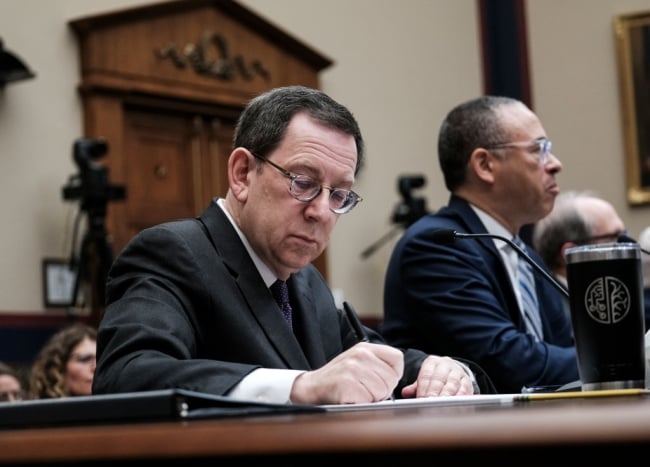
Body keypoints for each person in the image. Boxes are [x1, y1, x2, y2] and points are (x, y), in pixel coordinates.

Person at [92, 85, 495, 405]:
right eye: (303, 183)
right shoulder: (172, 252)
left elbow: (366, 357)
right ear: (242, 173)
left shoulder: (305, 284)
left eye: (340, 195)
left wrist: (435, 369)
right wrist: (299, 387)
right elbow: (127, 375)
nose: (322, 211)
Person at [382, 95, 579, 394]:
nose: (555, 164)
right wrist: (626, 359)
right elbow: (509, 364)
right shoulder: (436, 245)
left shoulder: (524, 255)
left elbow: (567, 348)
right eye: (538, 150)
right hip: (460, 435)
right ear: (485, 165)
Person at [531, 190, 629, 317]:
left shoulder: (617, 296)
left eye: (625, 235)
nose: (627, 245)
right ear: (570, 253)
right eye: (615, 237)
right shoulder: (549, 311)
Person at [28, 322, 97, 399]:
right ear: (59, 368)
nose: (95, 367)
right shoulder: (39, 410)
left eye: (100, 360)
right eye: (84, 359)